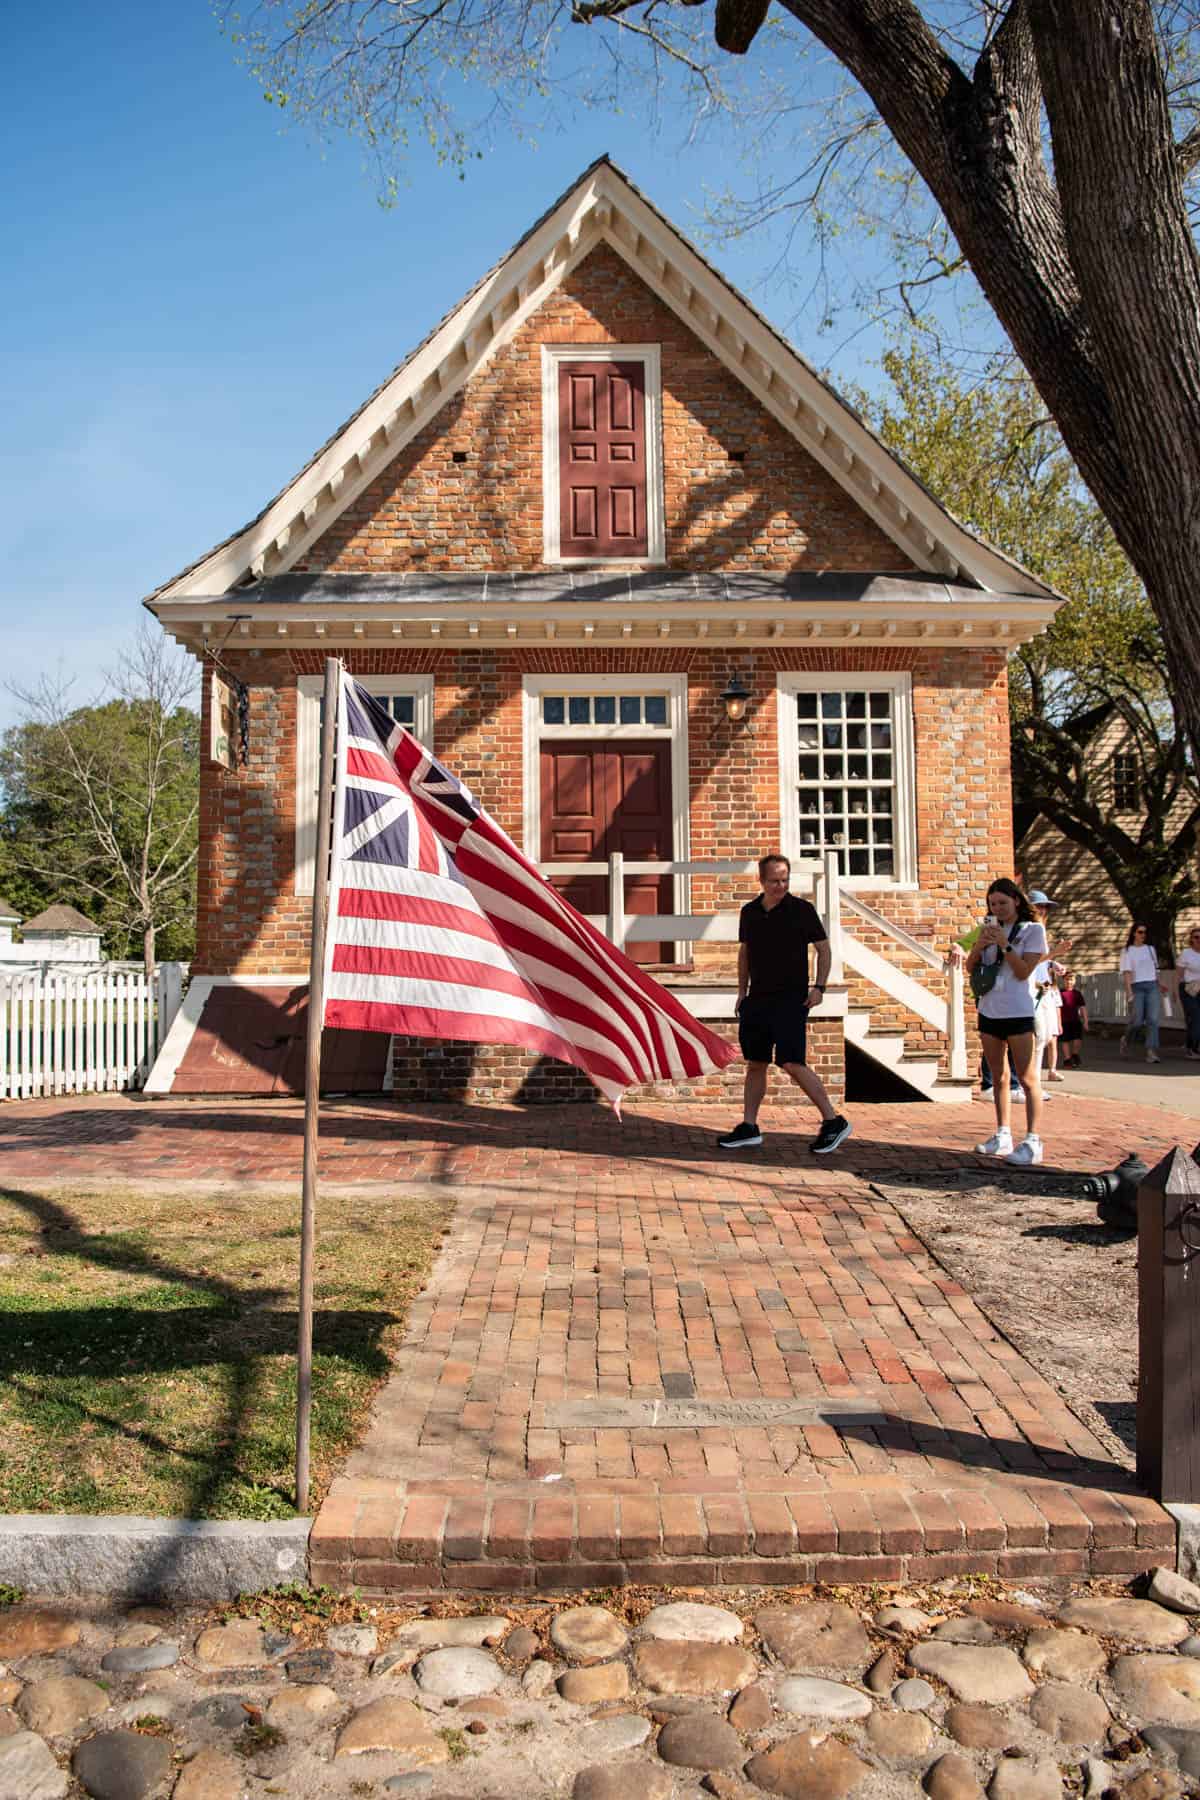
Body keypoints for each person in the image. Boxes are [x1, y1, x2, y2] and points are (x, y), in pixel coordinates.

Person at [717, 852, 853, 1154]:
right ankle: (749, 1127)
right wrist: (742, 992)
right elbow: (745, 953)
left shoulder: (802, 910)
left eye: (785, 880)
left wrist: (820, 987)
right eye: (774, 881)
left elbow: (824, 950)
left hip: (791, 999)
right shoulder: (749, 912)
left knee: (792, 1061)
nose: (780, 885)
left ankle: (834, 1121)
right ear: (761, 880)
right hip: (758, 1000)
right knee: (756, 1063)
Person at [965, 877, 1048, 1165]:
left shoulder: (1033, 930)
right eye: (992, 904)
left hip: (1018, 1011)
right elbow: (970, 967)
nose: (997, 908)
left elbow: (1025, 971)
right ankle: (1002, 1134)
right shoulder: (989, 929)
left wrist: (1005, 945)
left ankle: (1033, 1141)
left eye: (1002, 902)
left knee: (1026, 1078)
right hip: (990, 1010)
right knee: (997, 1077)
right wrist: (980, 945)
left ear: (1016, 900)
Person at [1120, 923, 1168, 1064]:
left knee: (1152, 1020)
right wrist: (1129, 992)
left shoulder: (1150, 949)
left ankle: (1151, 1052)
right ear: (1134, 933)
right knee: (1137, 1021)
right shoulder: (1127, 951)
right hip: (1137, 986)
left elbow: (1155, 969)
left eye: (1145, 933)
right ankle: (1126, 1039)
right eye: (1140, 932)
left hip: (1152, 985)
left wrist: (1160, 984)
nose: (1143, 935)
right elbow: (1127, 972)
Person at [1058, 971, 1089, 1069]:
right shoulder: (1059, 993)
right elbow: (1056, 1008)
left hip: (1075, 1020)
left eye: (1071, 980)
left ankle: (1075, 1055)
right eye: (1067, 979)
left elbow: (1083, 1008)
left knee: (1077, 1040)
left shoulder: (1077, 994)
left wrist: (1086, 1022)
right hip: (1063, 1021)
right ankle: (1067, 1059)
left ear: (1074, 981)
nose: (1069, 982)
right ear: (1063, 980)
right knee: (1065, 1040)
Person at [1178, 926, 1200, 1061]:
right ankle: (1192, 1049)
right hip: (1189, 990)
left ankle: (1190, 1045)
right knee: (1196, 1017)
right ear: (1191, 940)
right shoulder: (1186, 953)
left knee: (1193, 1021)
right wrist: (1177, 991)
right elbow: (1179, 975)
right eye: (1196, 937)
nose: (1199, 940)